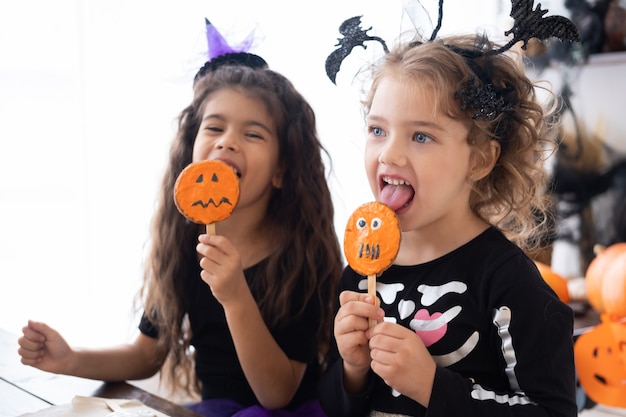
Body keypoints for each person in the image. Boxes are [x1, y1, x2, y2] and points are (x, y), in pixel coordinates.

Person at [18, 19, 343, 417]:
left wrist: (236, 297)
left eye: (253, 134)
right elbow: (146, 354)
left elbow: (277, 395)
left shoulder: (300, 257)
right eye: (215, 127)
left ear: (281, 170)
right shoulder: (183, 247)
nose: (227, 141)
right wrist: (70, 360)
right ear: (192, 150)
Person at [318, 1, 580, 416]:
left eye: (421, 137)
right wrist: (352, 369)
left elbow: (553, 411)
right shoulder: (362, 270)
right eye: (377, 129)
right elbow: (333, 405)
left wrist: (432, 386)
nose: (390, 154)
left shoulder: (509, 283)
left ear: (479, 160)